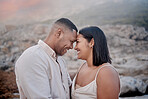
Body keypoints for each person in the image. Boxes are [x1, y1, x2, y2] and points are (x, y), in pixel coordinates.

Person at [15, 18, 78, 99]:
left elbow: (68, 90)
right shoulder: (33, 58)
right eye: (71, 41)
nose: (71, 47)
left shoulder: (60, 60)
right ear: (59, 33)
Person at [71, 26, 120, 99]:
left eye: (78, 42)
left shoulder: (106, 72)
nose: (75, 47)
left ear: (91, 42)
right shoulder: (83, 67)